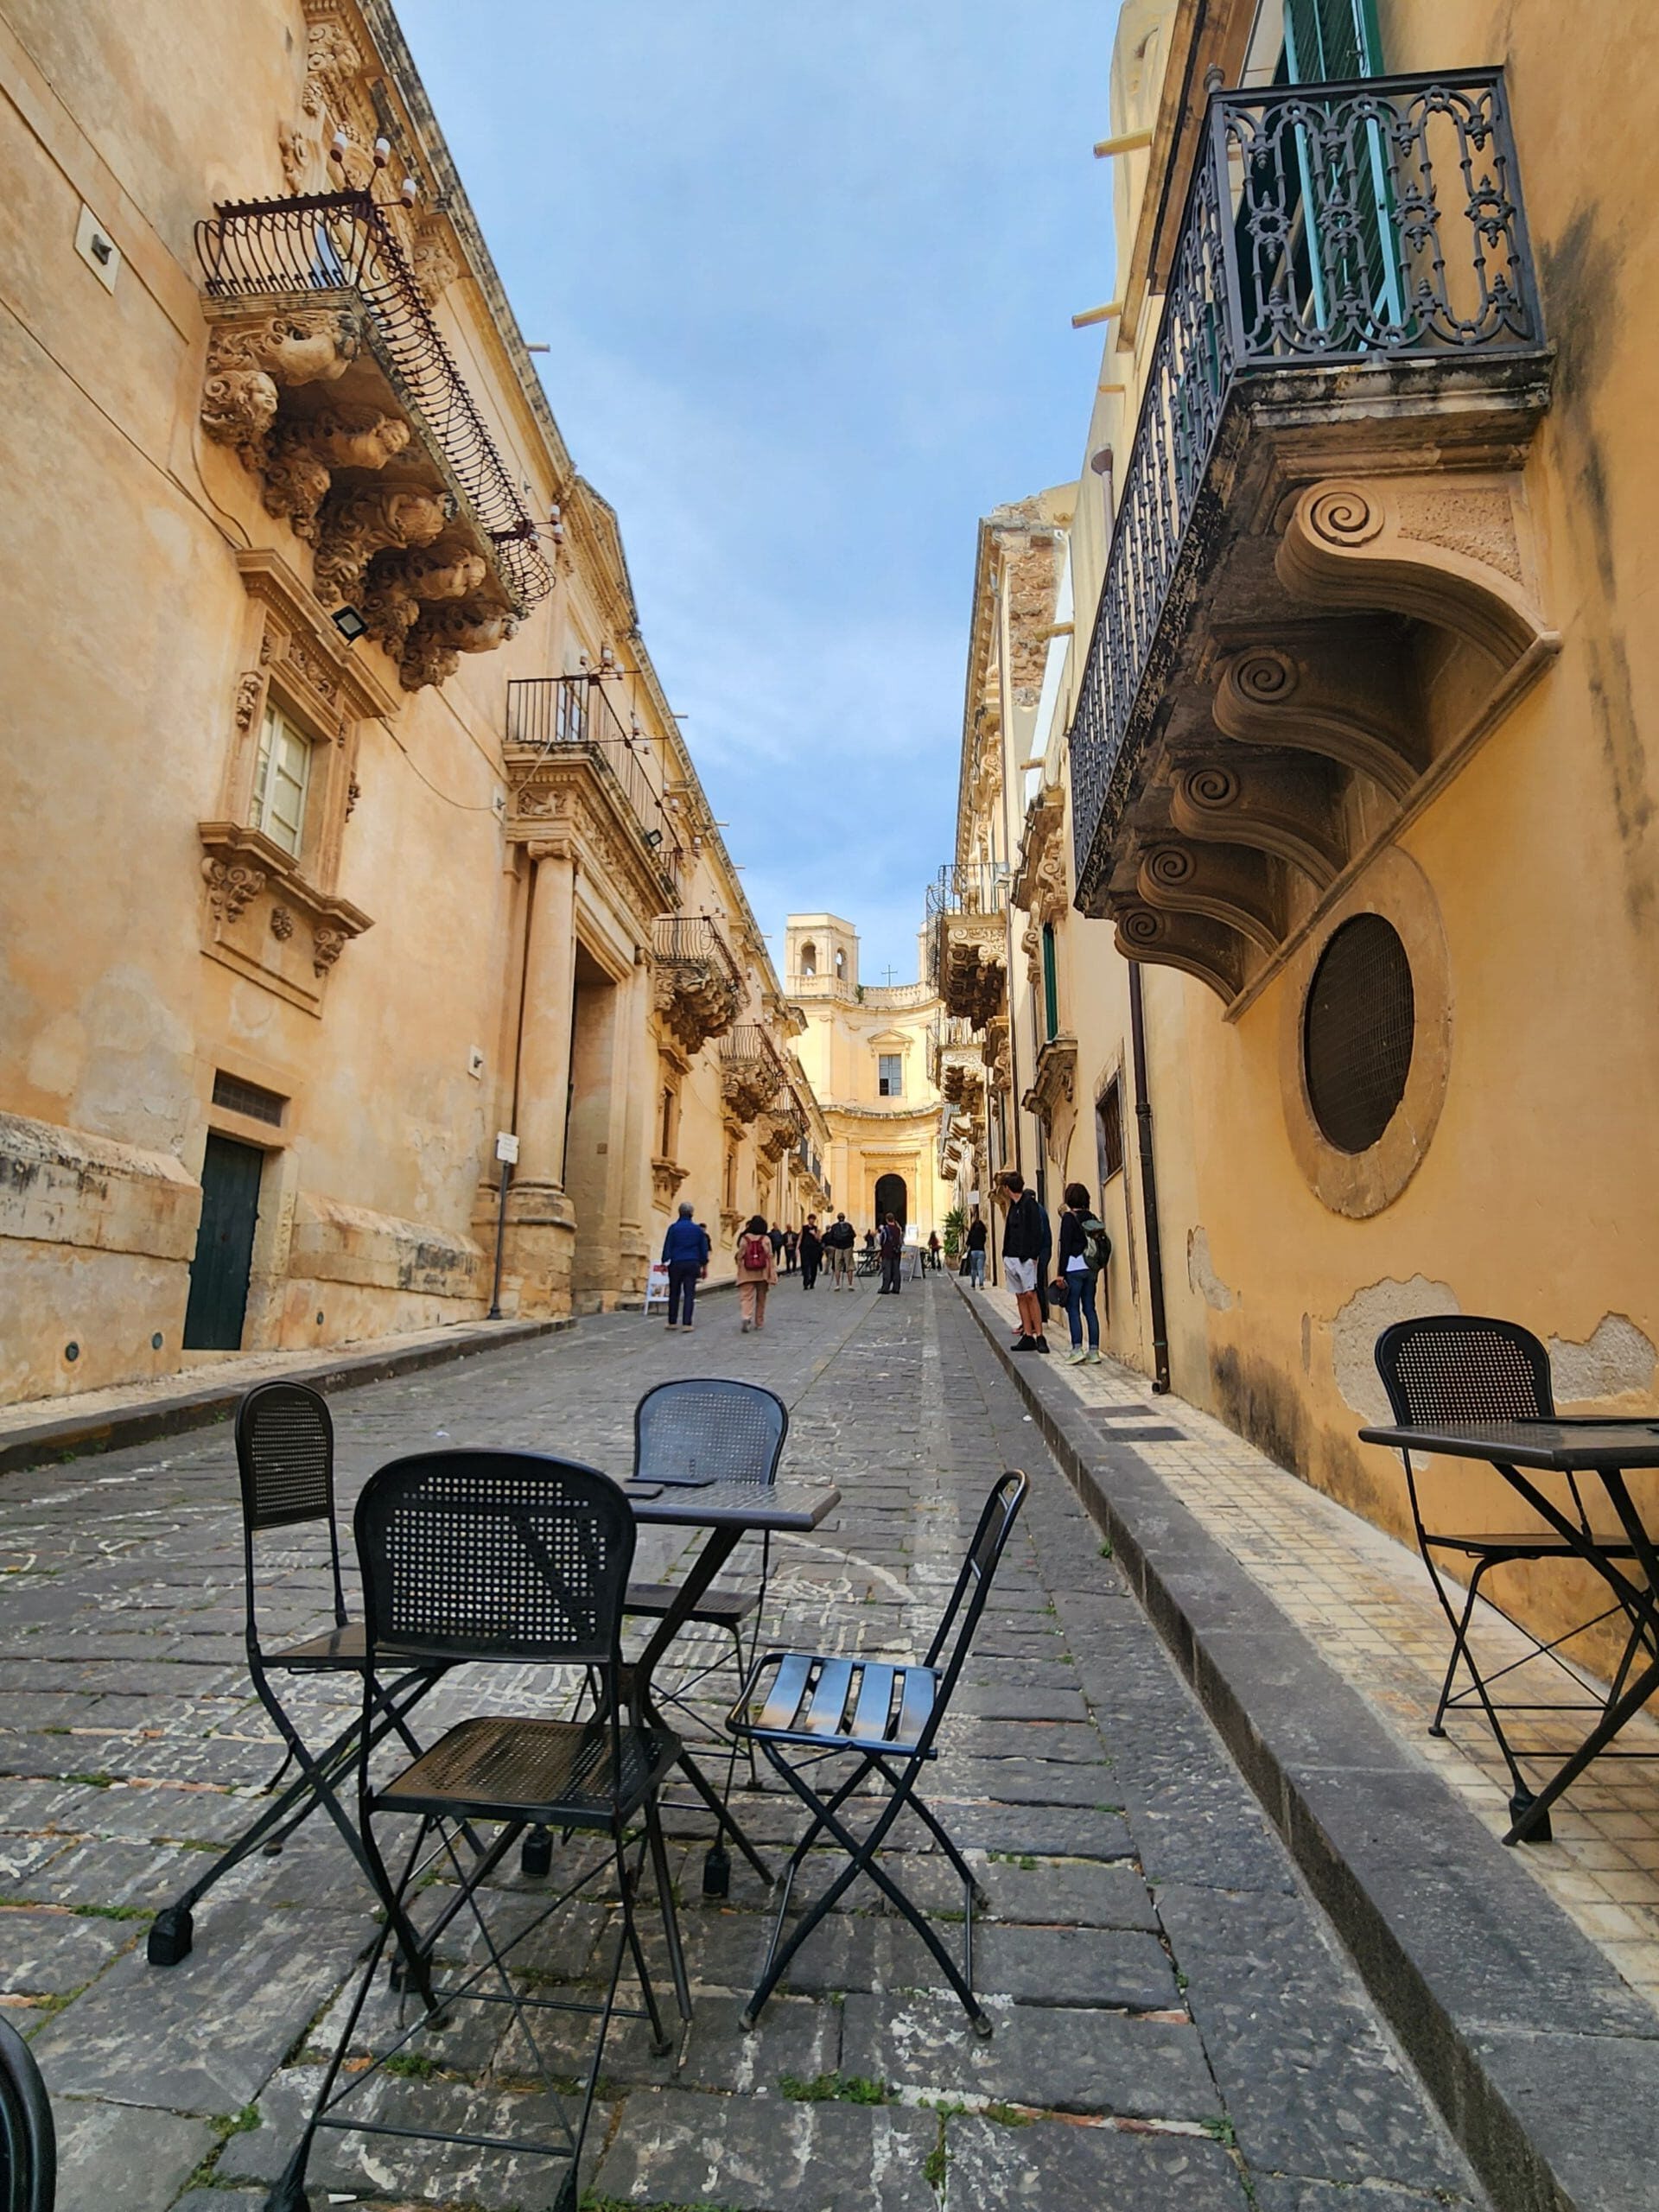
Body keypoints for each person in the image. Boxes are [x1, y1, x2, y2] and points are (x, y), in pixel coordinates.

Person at [995, 1170, 1049, 1352]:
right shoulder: (1013, 1206)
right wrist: (1005, 1255)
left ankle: (1039, 1335)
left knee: (1030, 1295)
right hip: (1012, 1257)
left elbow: (1037, 1232)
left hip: (1025, 1258)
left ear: (1007, 1188)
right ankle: (1027, 1334)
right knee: (1019, 1296)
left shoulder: (1029, 1205)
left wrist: (1033, 1256)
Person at [1056, 1181, 1109, 1365]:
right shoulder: (1091, 1217)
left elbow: (1065, 1247)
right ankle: (1094, 1351)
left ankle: (1077, 1349)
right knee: (1090, 1308)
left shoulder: (1069, 1218)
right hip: (1091, 1268)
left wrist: (1060, 1273)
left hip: (1074, 1267)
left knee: (1073, 1309)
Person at [660, 1199, 709, 1332]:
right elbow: (703, 1249)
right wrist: (704, 1265)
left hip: (676, 1262)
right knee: (689, 1293)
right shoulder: (698, 1231)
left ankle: (672, 1321)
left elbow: (667, 1246)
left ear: (679, 1213)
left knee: (674, 1292)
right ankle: (687, 1323)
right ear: (692, 1214)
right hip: (692, 1262)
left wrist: (664, 1261)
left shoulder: (673, 1228)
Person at [736, 1212, 778, 1332]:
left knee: (746, 1296)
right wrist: (772, 1273)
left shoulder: (745, 1238)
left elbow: (740, 1255)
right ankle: (759, 1322)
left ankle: (746, 1316)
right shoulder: (766, 1239)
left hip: (746, 1272)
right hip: (762, 1272)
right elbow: (770, 1256)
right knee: (761, 1298)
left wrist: (739, 1267)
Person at [823, 1211, 856, 1289]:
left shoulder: (834, 1226)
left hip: (838, 1248)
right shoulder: (849, 1225)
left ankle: (837, 1285)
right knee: (849, 1266)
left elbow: (831, 1237)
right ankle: (850, 1285)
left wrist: (835, 1244)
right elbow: (853, 1235)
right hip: (848, 1247)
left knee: (837, 1266)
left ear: (838, 1218)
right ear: (844, 1218)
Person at [877, 1212, 905, 1294]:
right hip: (896, 1252)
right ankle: (896, 1288)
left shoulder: (885, 1229)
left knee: (887, 1270)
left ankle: (885, 1288)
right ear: (894, 1219)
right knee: (896, 1270)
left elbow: (881, 1240)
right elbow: (901, 1241)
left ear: (886, 1220)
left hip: (887, 1252)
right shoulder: (898, 1229)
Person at [964, 1207, 988, 1288]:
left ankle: (973, 1284)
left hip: (973, 1252)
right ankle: (981, 1285)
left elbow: (967, 1243)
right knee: (981, 1269)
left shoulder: (972, 1233)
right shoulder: (983, 1233)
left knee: (973, 1269)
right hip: (981, 1251)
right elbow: (984, 1241)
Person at [799, 1214, 823, 1290]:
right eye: (810, 1219)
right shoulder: (804, 1228)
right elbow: (800, 1238)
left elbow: (819, 1239)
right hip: (805, 1249)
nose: (811, 1220)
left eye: (813, 1219)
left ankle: (812, 1282)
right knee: (805, 1266)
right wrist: (797, 1248)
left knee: (813, 1267)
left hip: (814, 1249)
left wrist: (814, 1234)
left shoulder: (817, 1229)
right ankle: (806, 1283)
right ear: (808, 1220)